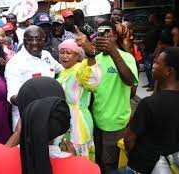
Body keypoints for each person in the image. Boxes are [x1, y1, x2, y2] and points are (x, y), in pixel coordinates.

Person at [0, 77, 101, 174]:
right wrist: (74, 161)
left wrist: (18, 134)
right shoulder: (88, 169)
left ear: (22, 118)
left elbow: (0, 159)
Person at [90, 21, 138, 173]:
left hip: (115, 123)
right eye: (100, 33)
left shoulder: (126, 57)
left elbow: (130, 81)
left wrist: (114, 53)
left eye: (107, 32)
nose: (103, 36)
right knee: (98, 160)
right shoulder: (96, 59)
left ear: (115, 36)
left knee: (110, 164)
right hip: (96, 120)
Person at [124, 47, 179, 173]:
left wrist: (131, 154)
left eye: (158, 63)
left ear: (169, 71)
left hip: (142, 166)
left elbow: (129, 139)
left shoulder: (149, 104)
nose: (153, 66)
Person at [5, 25, 63, 131]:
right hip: (27, 122)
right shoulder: (15, 63)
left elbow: (63, 70)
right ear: (24, 41)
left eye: (39, 39)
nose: (35, 42)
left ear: (45, 40)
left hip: (50, 117)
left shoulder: (46, 55)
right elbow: (13, 97)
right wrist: (38, 101)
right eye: (30, 39)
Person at [57, 39, 101, 160]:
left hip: (78, 121)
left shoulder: (80, 68)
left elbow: (93, 81)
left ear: (78, 55)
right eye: (62, 52)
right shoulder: (63, 71)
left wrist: (91, 55)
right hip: (65, 118)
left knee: (78, 156)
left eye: (69, 53)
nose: (64, 56)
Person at [142, 13, 162, 91]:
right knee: (147, 69)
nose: (149, 18)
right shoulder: (150, 27)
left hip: (152, 51)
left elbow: (159, 42)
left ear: (154, 18)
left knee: (151, 69)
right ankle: (150, 83)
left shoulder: (158, 29)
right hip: (147, 51)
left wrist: (155, 53)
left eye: (150, 17)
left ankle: (153, 85)